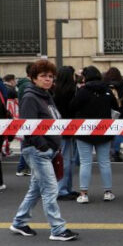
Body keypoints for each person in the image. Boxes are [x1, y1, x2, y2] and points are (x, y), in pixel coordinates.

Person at [10, 59, 79, 241]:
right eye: (43, 76)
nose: (48, 79)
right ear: (33, 78)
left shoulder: (46, 96)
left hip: (46, 150)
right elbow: (29, 127)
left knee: (36, 189)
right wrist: (44, 146)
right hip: (37, 150)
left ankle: (19, 222)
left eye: (50, 76)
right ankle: (57, 229)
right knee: (50, 189)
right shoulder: (31, 97)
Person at [69, 66, 117, 204]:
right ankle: (108, 192)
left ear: (85, 77)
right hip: (104, 131)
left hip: (84, 131)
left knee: (85, 162)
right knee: (104, 162)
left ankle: (83, 193)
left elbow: (72, 107)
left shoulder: (83, 91)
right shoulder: (107, 90)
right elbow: (116, 107)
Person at [52, 66, 79, 199]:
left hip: (58, 129)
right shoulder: (73, 91)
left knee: (64, 159)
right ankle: (63, 189)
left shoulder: (54, 91)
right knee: (67, 160)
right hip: (70, 128)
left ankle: (66, 188)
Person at [103, 66, 123, 162]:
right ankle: (116, 151)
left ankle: (109, 151)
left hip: (108, 112)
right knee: (120, 133)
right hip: (120, 112)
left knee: (109, 132)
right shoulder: (122, 85)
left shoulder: (104, 85)